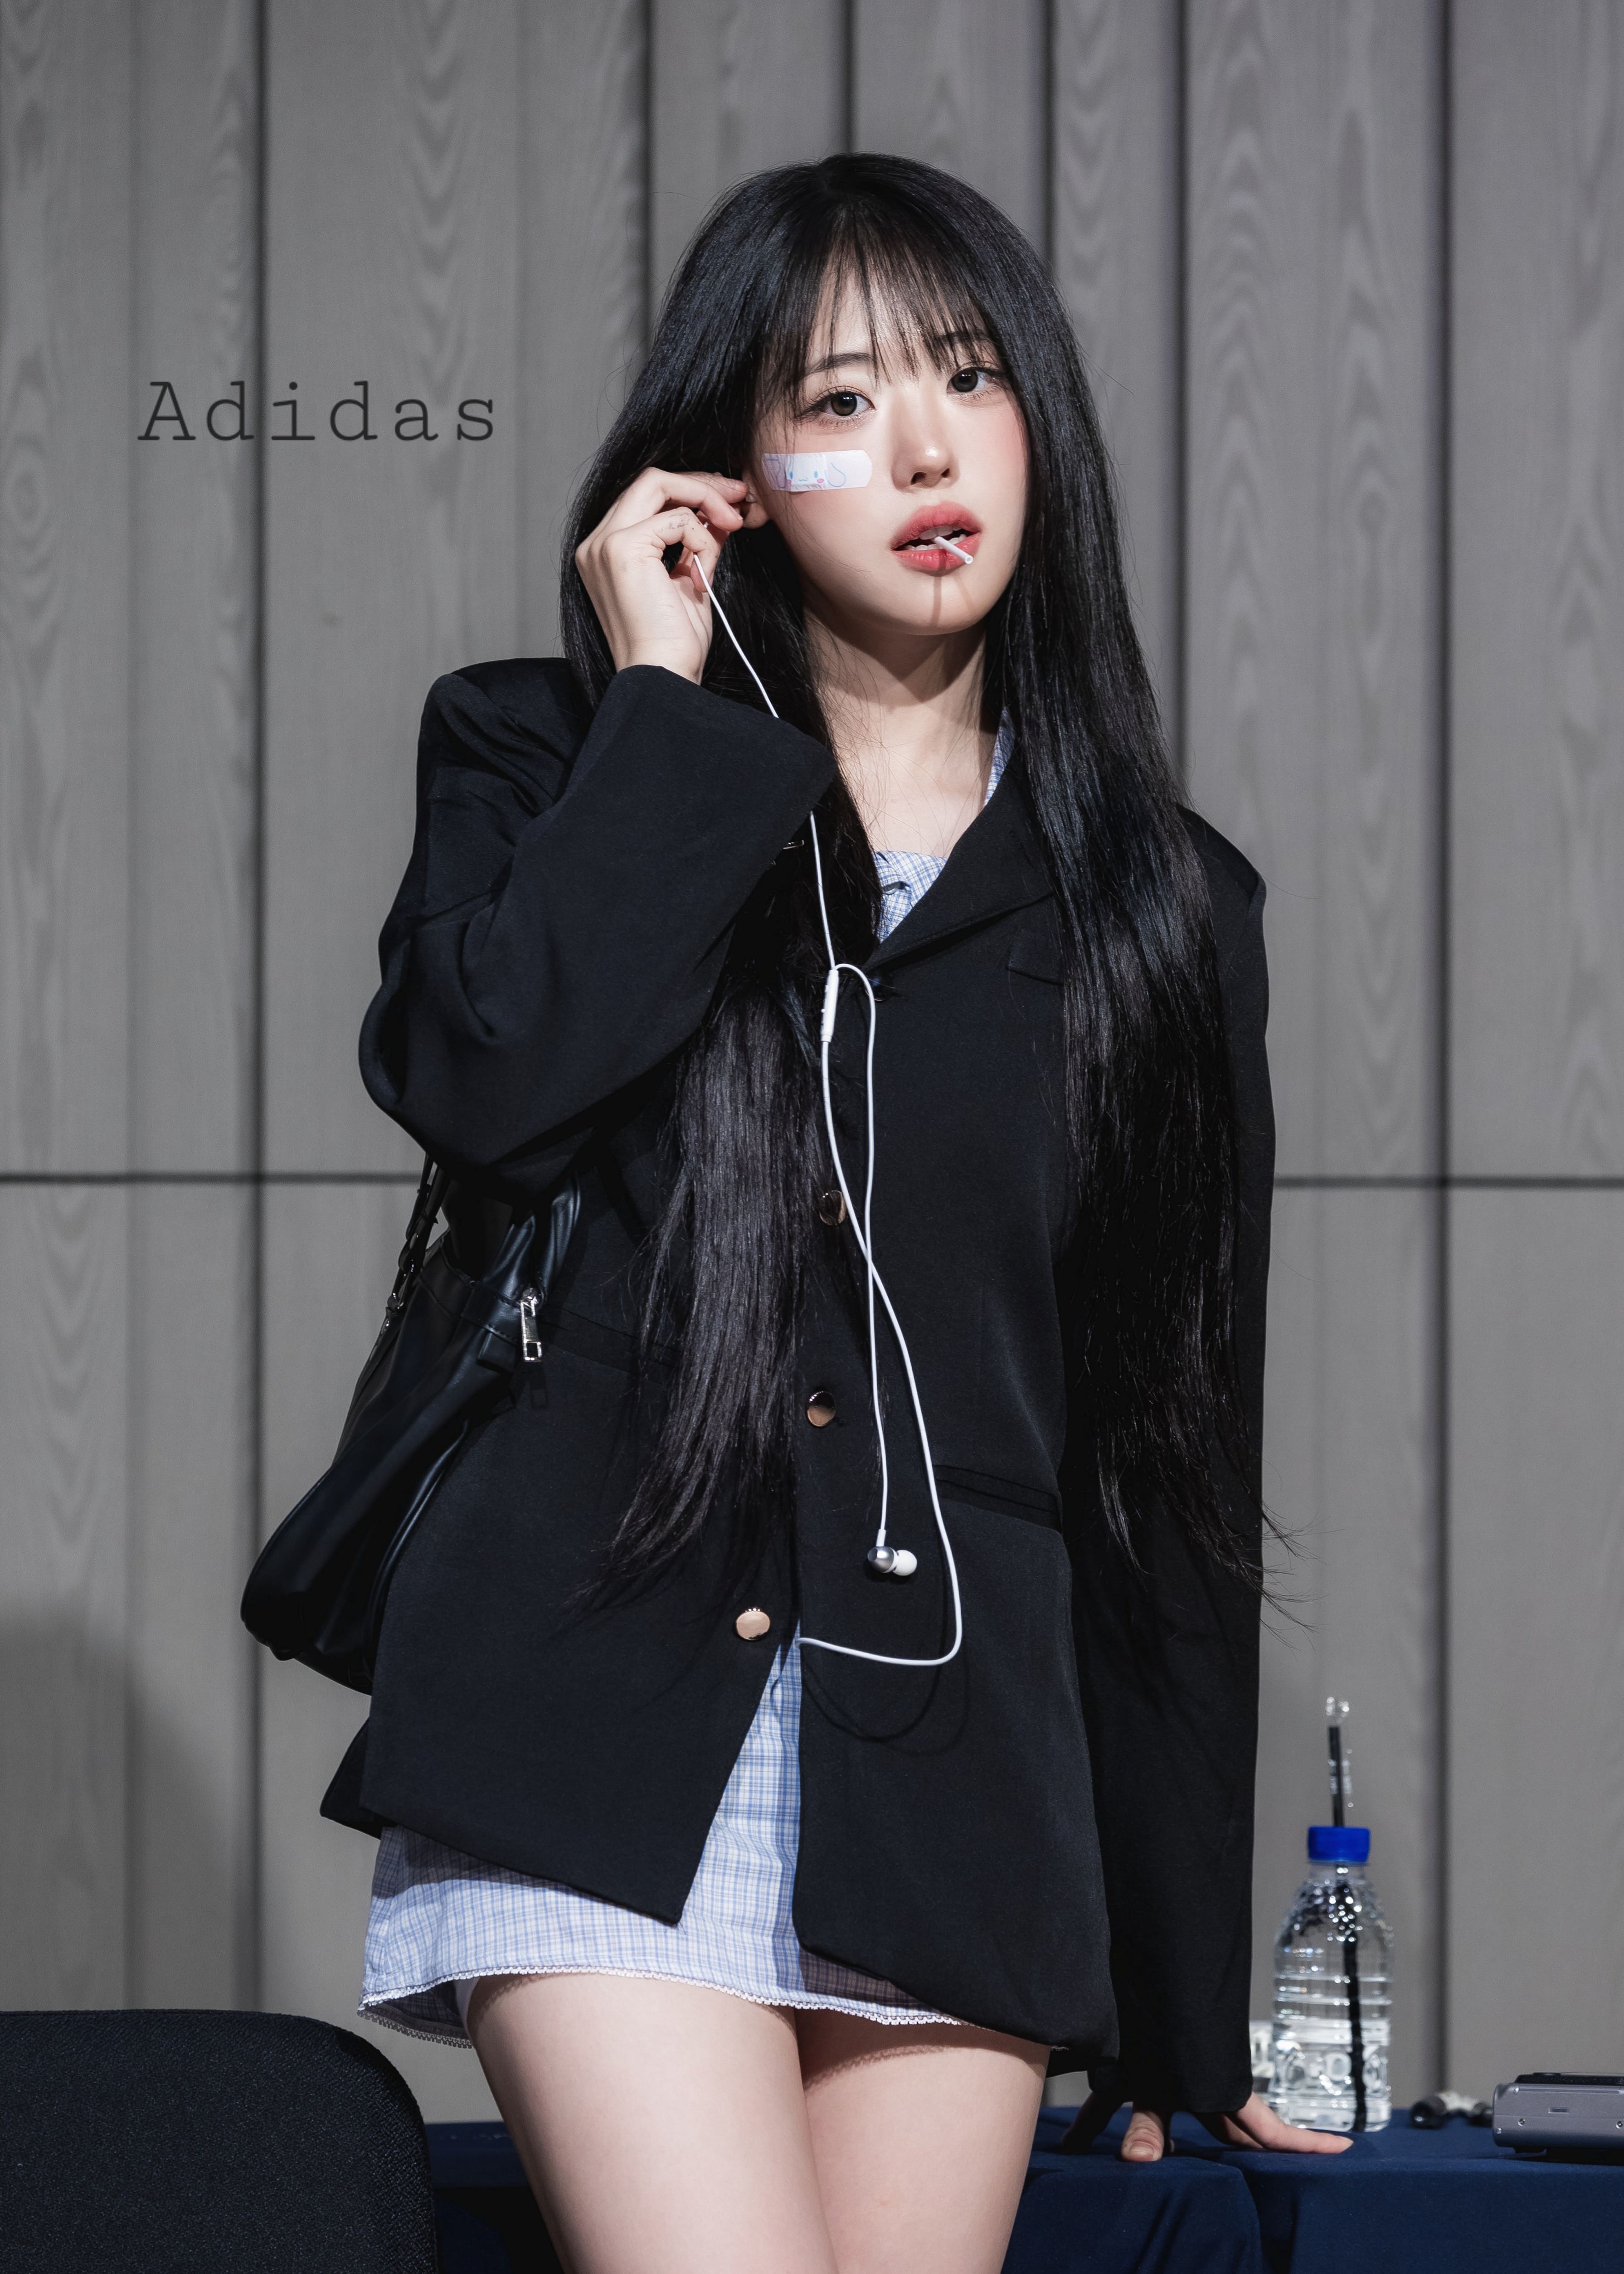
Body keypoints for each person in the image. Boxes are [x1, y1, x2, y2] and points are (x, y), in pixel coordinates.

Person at [326, 153, 1350, 2274]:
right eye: (840, 400)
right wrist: (658, 716)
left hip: (957, 1781)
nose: (923, 450)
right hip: (596, 1727)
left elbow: (1161, 1463)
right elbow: (481, 1082)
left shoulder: (1163, 910)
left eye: (968, 379)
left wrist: (1173, 2000)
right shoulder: (547, 752)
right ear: (728, 467)